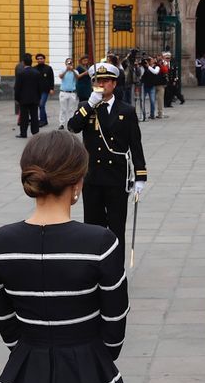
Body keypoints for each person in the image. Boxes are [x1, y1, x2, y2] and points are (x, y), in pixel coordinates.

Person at [0, 130, 142, 383]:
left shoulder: (0, 242)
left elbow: (7, 325)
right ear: (77, 183)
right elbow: (114, 327)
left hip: (24, 371)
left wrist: (33, 351)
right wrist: (89, 356)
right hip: (90, 372)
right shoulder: (101, 243)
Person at [66, 62, 146, 253]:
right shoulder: (87, 107)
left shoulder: (126, 110)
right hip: (93, 176)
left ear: (114, 84)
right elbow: (72, 127)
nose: (102, 85)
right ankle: (94, 265)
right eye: (98, 81)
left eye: (107, 81)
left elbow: (135, 144)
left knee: (117, 226)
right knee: (93, 226)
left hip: (116, 176)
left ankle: (116, 268)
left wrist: (140, 175)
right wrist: (90, 104)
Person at [13, 54, 43, 139]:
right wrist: (39, 97)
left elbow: (17, 87)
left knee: (24, 117)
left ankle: (23, 133)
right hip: (34, 98)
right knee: (34, 116)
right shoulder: (37, 73)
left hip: (23, 99)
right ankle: (35, 132)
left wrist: (17, 98)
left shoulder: (21, 73)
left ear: (24, 63)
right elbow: (39, 87)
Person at [58, 57, 79, 130]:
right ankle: (61, 124)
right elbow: (60, 77)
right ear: (65, 63)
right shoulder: (63, 70)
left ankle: (70, 124)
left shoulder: (75, 71)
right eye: (68, 63)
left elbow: (77, 78)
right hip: (63, 92)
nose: (69, 64)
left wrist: (72, 70)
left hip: (72, 93)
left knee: (71, 109)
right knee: (63, 109)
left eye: (70, 62)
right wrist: (66, 70)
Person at [34, 53, 55, 128]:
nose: (40, 60)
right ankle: (45, 120)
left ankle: (42, 121)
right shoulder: (34, 68)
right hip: (36, 91)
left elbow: (52, 79)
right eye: (38, 59)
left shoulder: (48, 68)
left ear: (44, 59)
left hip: (45, 90)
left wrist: (52, 88)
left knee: (41, 104)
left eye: (41, 59)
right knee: (40, 106)